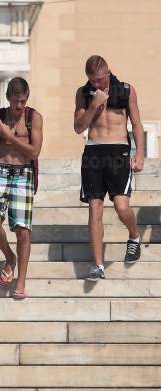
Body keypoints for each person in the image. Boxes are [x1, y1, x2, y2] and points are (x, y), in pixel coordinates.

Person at [74, 55, 144, 281]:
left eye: (101, 79)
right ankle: (98, 265)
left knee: (122, 207)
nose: (98, 84)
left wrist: (140, 154)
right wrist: (94, 104)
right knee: (94, 208)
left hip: (119, 152)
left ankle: (134, 236)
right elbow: (78, 127)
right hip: (93, 151)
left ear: (108, 72)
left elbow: (137, 123)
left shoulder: (125, 90)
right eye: (93, 81)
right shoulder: (83, 93)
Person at [0, 77, 43, 299]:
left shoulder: (34, 117)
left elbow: (34, 151)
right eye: (15, 101)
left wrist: (7, 136)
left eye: (23, 101)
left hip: (24, 173)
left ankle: (21, 281)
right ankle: (9, 257)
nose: (19, 106)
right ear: (7, 98)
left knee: (23, 230)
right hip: (1, 170)